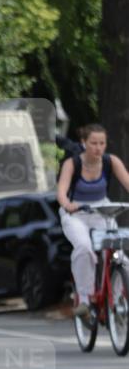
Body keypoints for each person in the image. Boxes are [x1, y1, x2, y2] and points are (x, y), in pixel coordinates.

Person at [57, 122, 129, 321]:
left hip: (102, 211)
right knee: (84, 248)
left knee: (118, 253)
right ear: (83, 143)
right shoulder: (72, 164)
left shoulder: (110, 161)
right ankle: (85, 300)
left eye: (102, 143)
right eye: (94, 143)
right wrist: (68, 205)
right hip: (76, 213)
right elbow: (61, 193)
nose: (98, 148)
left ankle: (116, 297)